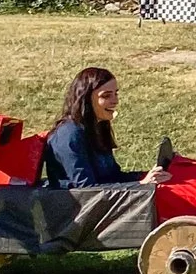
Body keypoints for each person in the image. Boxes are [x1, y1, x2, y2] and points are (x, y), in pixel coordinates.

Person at [40, 68, 168, 189]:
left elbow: (113, 177)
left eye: (115, 94)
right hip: (73, 208)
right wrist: (141, 184)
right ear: (86, 99)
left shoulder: (98, 126)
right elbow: (86, 190)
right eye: (106, 96)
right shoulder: (69, 134)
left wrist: (148, 175)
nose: (115, 101)